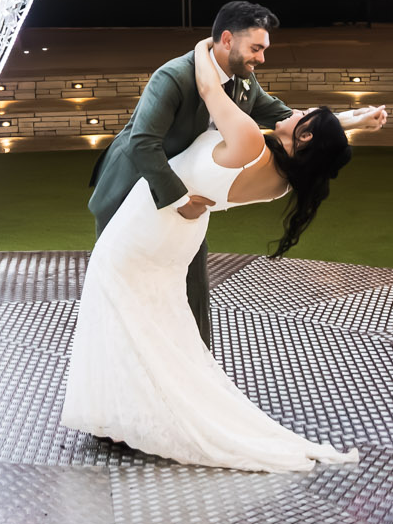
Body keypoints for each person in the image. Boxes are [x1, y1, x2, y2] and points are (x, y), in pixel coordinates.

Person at [62, 35, 366, 471]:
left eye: (303, 115)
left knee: (119, 307)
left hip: (152, 223)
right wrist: (354, 120)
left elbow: (208, 88)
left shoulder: (245, 137)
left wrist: (208, 44)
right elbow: (315, 137)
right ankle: (134, 408)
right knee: (158, 320)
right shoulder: (281, 180)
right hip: (179, 235)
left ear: (306, 134)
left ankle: (127, 412)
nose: (293, 111)